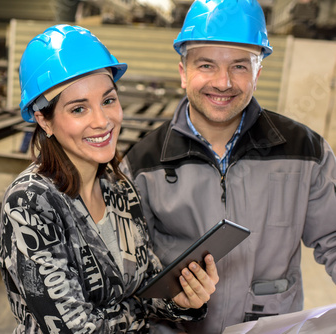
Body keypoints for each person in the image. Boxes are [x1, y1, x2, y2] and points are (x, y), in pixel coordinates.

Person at [120, 0, 336, 333]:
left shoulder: (305, 152)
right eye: (206, 65)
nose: (223, 83)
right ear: (183, 72)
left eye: (239, 66)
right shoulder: (143, 165)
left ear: (258, 72)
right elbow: (127, 273)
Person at [0, 24, 220, 334]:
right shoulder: (31, 202)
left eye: (108, 101)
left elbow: (147, 285)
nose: (102, 121)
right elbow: (74, 329)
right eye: (78, 109)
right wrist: (138, 313)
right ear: (44, 119)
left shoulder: (120, 189)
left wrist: (180, 301)